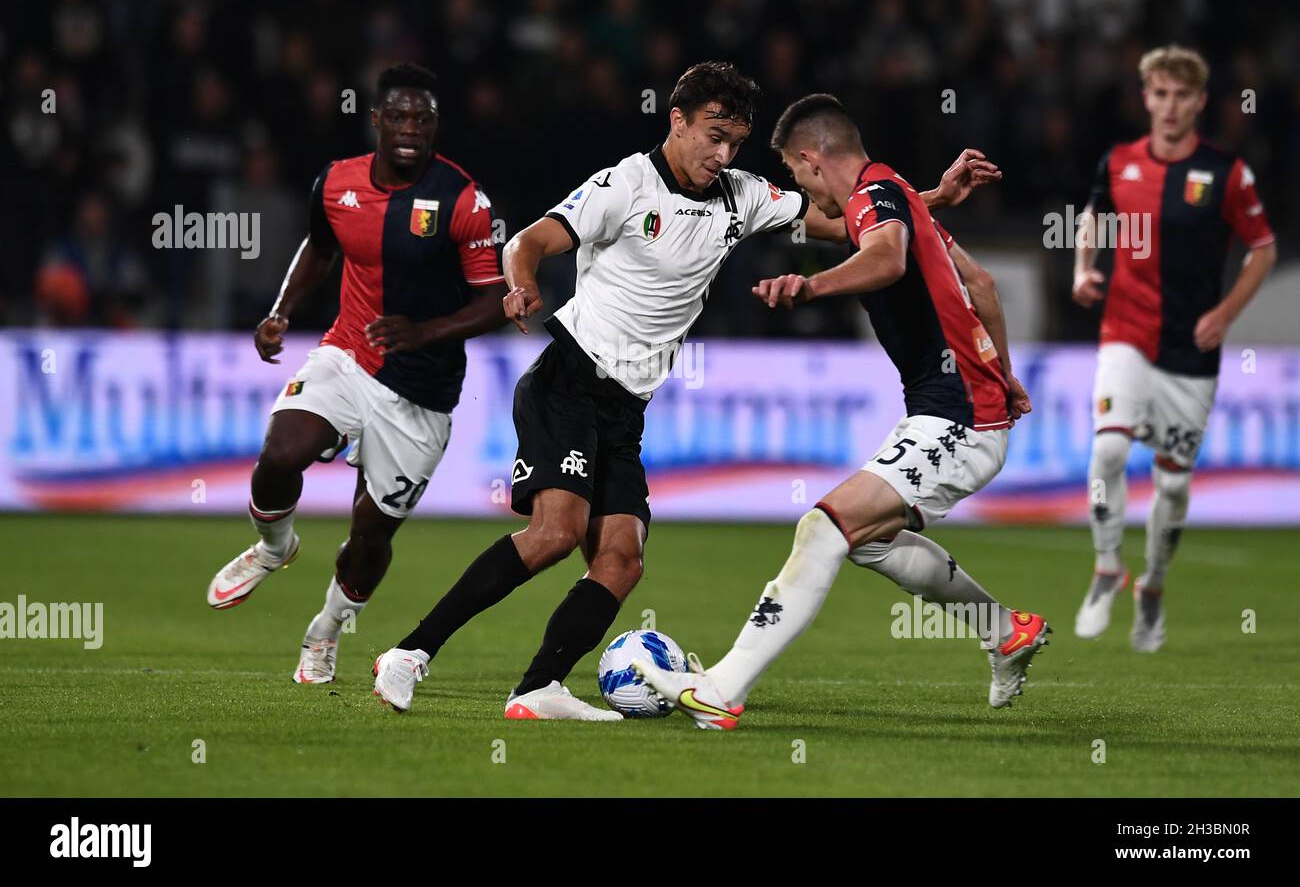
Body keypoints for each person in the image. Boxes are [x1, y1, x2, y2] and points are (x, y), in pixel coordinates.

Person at [371, 63, 1002, 719]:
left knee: (621, 560)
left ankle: (537, 689)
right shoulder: (626, 184)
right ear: (677, 121)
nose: (723, 153)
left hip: (624, 409)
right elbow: (529, 240)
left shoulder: (744, 195)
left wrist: (932, 199)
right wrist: (521, 282)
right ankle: (410, 653)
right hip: (568, 381)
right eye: (713, 135)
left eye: (735, 142)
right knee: (555, 534)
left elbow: (849, 223)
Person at [633, 93, 1045, 728]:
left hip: (957, 418)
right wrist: (1006, 374)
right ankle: (1004, 629)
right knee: (869, 544)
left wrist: (809, 283)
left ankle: (721, 691)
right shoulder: (896, 196)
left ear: (810, 159)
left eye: (797, 177)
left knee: (821, 529)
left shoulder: (874, 198)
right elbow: (982, 286)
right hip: (960, 409)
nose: (802, 192)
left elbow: (888, 259)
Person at [205, 63, 508, 684]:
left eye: (422, 119)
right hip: (350, 352)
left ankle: (325, 631)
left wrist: (424, 332)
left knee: (369, 534)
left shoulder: (464, 200)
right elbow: (320, 246)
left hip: (422, 392)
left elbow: (493, 301)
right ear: (376, 119)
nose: (410, 130)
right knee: (280, 453)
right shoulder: (337, 181)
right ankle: (274, 548)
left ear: (434, 126)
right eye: (398, 116)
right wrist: (281, 312)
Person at [1072, 46, 1276, 652]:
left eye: (1181, 96)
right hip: (1126, 333)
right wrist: (1084, 268)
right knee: (1109, 450)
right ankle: (1108, 566)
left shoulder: (1227, 173)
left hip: (1191, 350)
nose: (1169, 106)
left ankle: (1153, 587)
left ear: (1198, 102)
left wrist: (1225, 313)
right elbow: (1093, 214)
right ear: (1146, 98)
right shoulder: (1120, 162)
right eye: (1159, 94)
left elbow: (1262, 247)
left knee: (1174, 488)